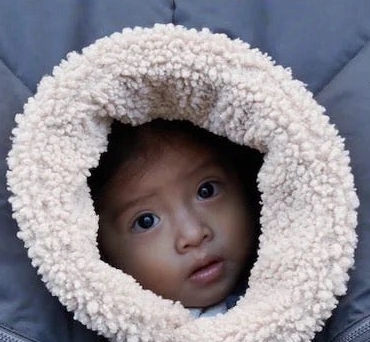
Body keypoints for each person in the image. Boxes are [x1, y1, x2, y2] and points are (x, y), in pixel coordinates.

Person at [89, 118, 261, 316]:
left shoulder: (294, 290)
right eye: (146, 221)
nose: (193, 235)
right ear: (100, 251)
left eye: (206, 190)